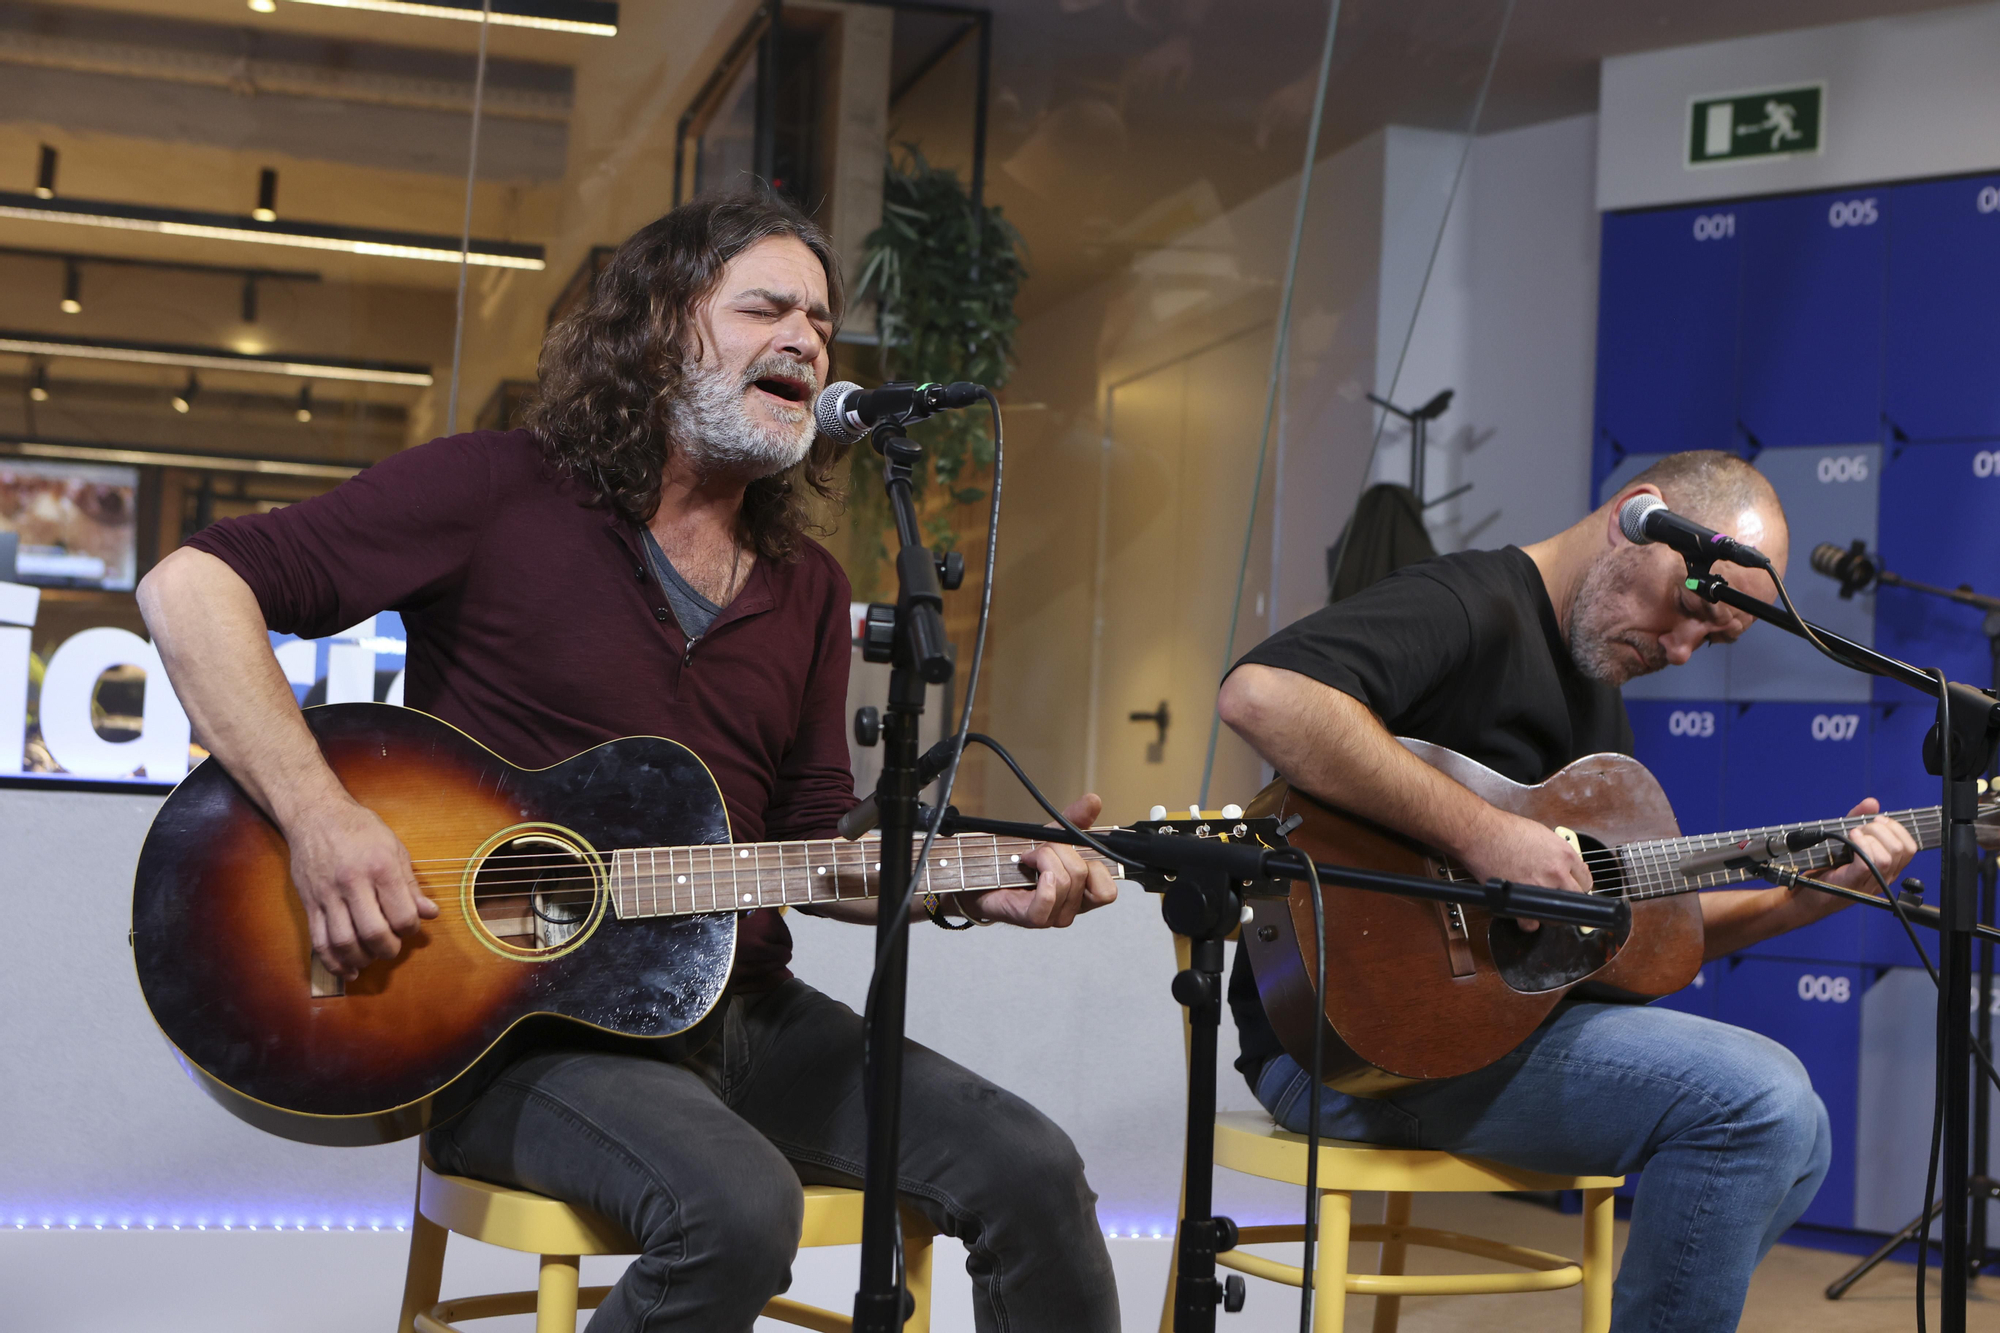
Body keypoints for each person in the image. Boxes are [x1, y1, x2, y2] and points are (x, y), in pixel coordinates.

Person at [138, 191, 1121, 1332]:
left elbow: (805, 840)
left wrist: (964, 879)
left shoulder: (807, 586)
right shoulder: (495, 489)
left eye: (819, 317)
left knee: (1033, 1174)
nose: (804, 337)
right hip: (516, 1037)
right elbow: (190, 587)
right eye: (765, 306)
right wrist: (319, 817)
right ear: (659, 327)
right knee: (736, 1210)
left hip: (742, 1011)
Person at [1215, 450, 1918, 1332]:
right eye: (1690, 608)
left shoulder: (1596, 690)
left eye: (1713, 640)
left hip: (1477, 1035)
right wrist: (1485, 833)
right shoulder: (1470, 604)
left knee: (1801, 1135)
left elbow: (1627, 939)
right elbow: (1260, 693)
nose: (1682, 648)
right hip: (1337, 1050)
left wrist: (1798, 904)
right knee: (1758, 1101)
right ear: (1639, 516)